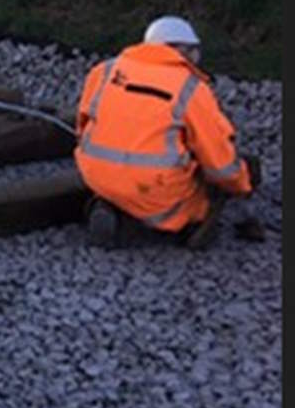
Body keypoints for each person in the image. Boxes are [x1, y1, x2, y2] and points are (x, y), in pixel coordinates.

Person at [74, 15, 258, 250]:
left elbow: (82, 126)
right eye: (194, 50)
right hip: (157, 189)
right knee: (203, 193)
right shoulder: (190, 88)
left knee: (129, 189)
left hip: (95, 174)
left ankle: (114, 207)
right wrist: (242, 184)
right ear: (182, 50)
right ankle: (192, 226)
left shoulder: (105, 71)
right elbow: (219, 164)